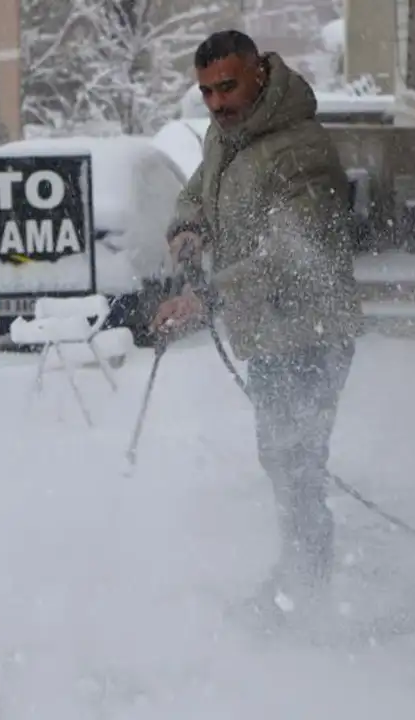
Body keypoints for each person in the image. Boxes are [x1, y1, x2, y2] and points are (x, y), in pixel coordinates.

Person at [150, 30, 362, 618]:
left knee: (297, 465)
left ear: (260, 76)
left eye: (227, 86)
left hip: (312, 335)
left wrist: (206, 298)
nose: (216, 102)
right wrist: (188, 229)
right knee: (284, 461)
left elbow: (291, 255)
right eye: (207, 91)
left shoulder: (300, 151)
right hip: (271, 335)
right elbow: (198, 191)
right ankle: (300, 581)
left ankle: (306, 593)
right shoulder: (230, 135)